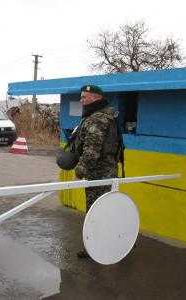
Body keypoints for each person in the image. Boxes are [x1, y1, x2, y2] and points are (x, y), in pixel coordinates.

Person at [74, 85, 120, 259]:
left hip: (99, 174)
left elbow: (92, 149)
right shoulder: (105, 115)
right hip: (107, 171)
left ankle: (95, 249)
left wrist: (81, 168)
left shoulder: (97, 118)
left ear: (94, 98)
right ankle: (107, 244)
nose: (81, 100)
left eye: (84, 97)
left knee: (95, 212)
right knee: (105, 210)